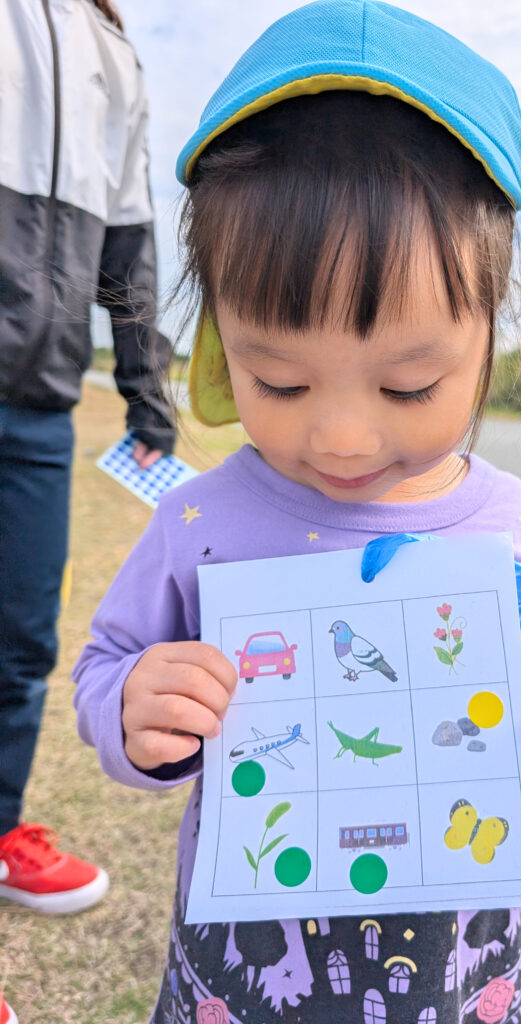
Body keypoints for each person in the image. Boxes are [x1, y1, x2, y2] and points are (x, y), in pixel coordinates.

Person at [72, 3, 521, 1020]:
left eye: (408, 387)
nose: (344, 440)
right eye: (278, 380)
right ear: (221, 344)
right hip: (252, 974)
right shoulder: (199, 524)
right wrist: (136, 707)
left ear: (488, 330)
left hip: (471, 973)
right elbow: (105, 670)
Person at [0, 0, 175, 955]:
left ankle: (1, 829)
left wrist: (148, 395)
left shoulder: (118, 56)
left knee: (23, 644)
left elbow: (126, 252)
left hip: (41, 406)